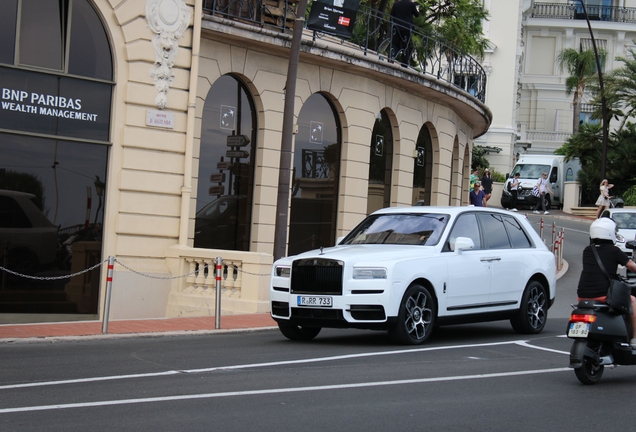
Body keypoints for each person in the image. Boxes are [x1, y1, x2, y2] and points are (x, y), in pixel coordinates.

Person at [577, 217, 636, 348]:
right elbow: (632, 267)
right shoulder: (614, 251)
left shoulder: (587, 250)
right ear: (610, 233)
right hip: (603, 294)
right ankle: (634, 339)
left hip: (582, 294)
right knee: (632, 300)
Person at [390, 0, 419, 67]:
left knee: (395, 44)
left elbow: (391, 15)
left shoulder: (396, 4)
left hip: (397, 27)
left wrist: (393, 25)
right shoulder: (411, 4)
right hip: (406, 28)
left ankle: (392, 56)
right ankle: (404, 63)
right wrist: (413, 4)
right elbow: (417, 15)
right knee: (405, 45)